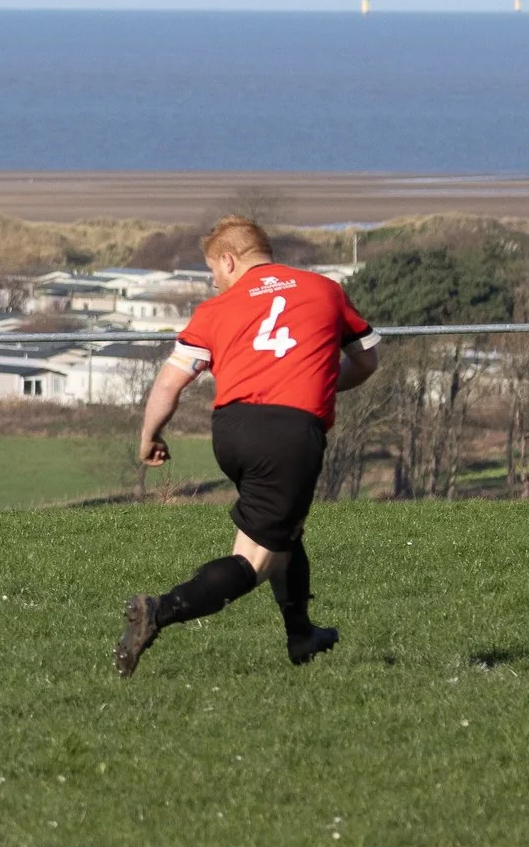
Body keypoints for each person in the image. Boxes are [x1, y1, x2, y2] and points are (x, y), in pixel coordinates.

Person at [116, 215, 379, 676]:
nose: (215, 282)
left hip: (232, 429)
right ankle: (158, 610)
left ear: (229, 259)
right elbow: (366, 360)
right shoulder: (324, 289)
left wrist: (148, 435)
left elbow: (168, 384)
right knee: (254, 559)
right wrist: (320, 383)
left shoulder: (214, 312)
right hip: (289, 433)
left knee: (284, 531)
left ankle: (302, 635)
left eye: (213, 273)